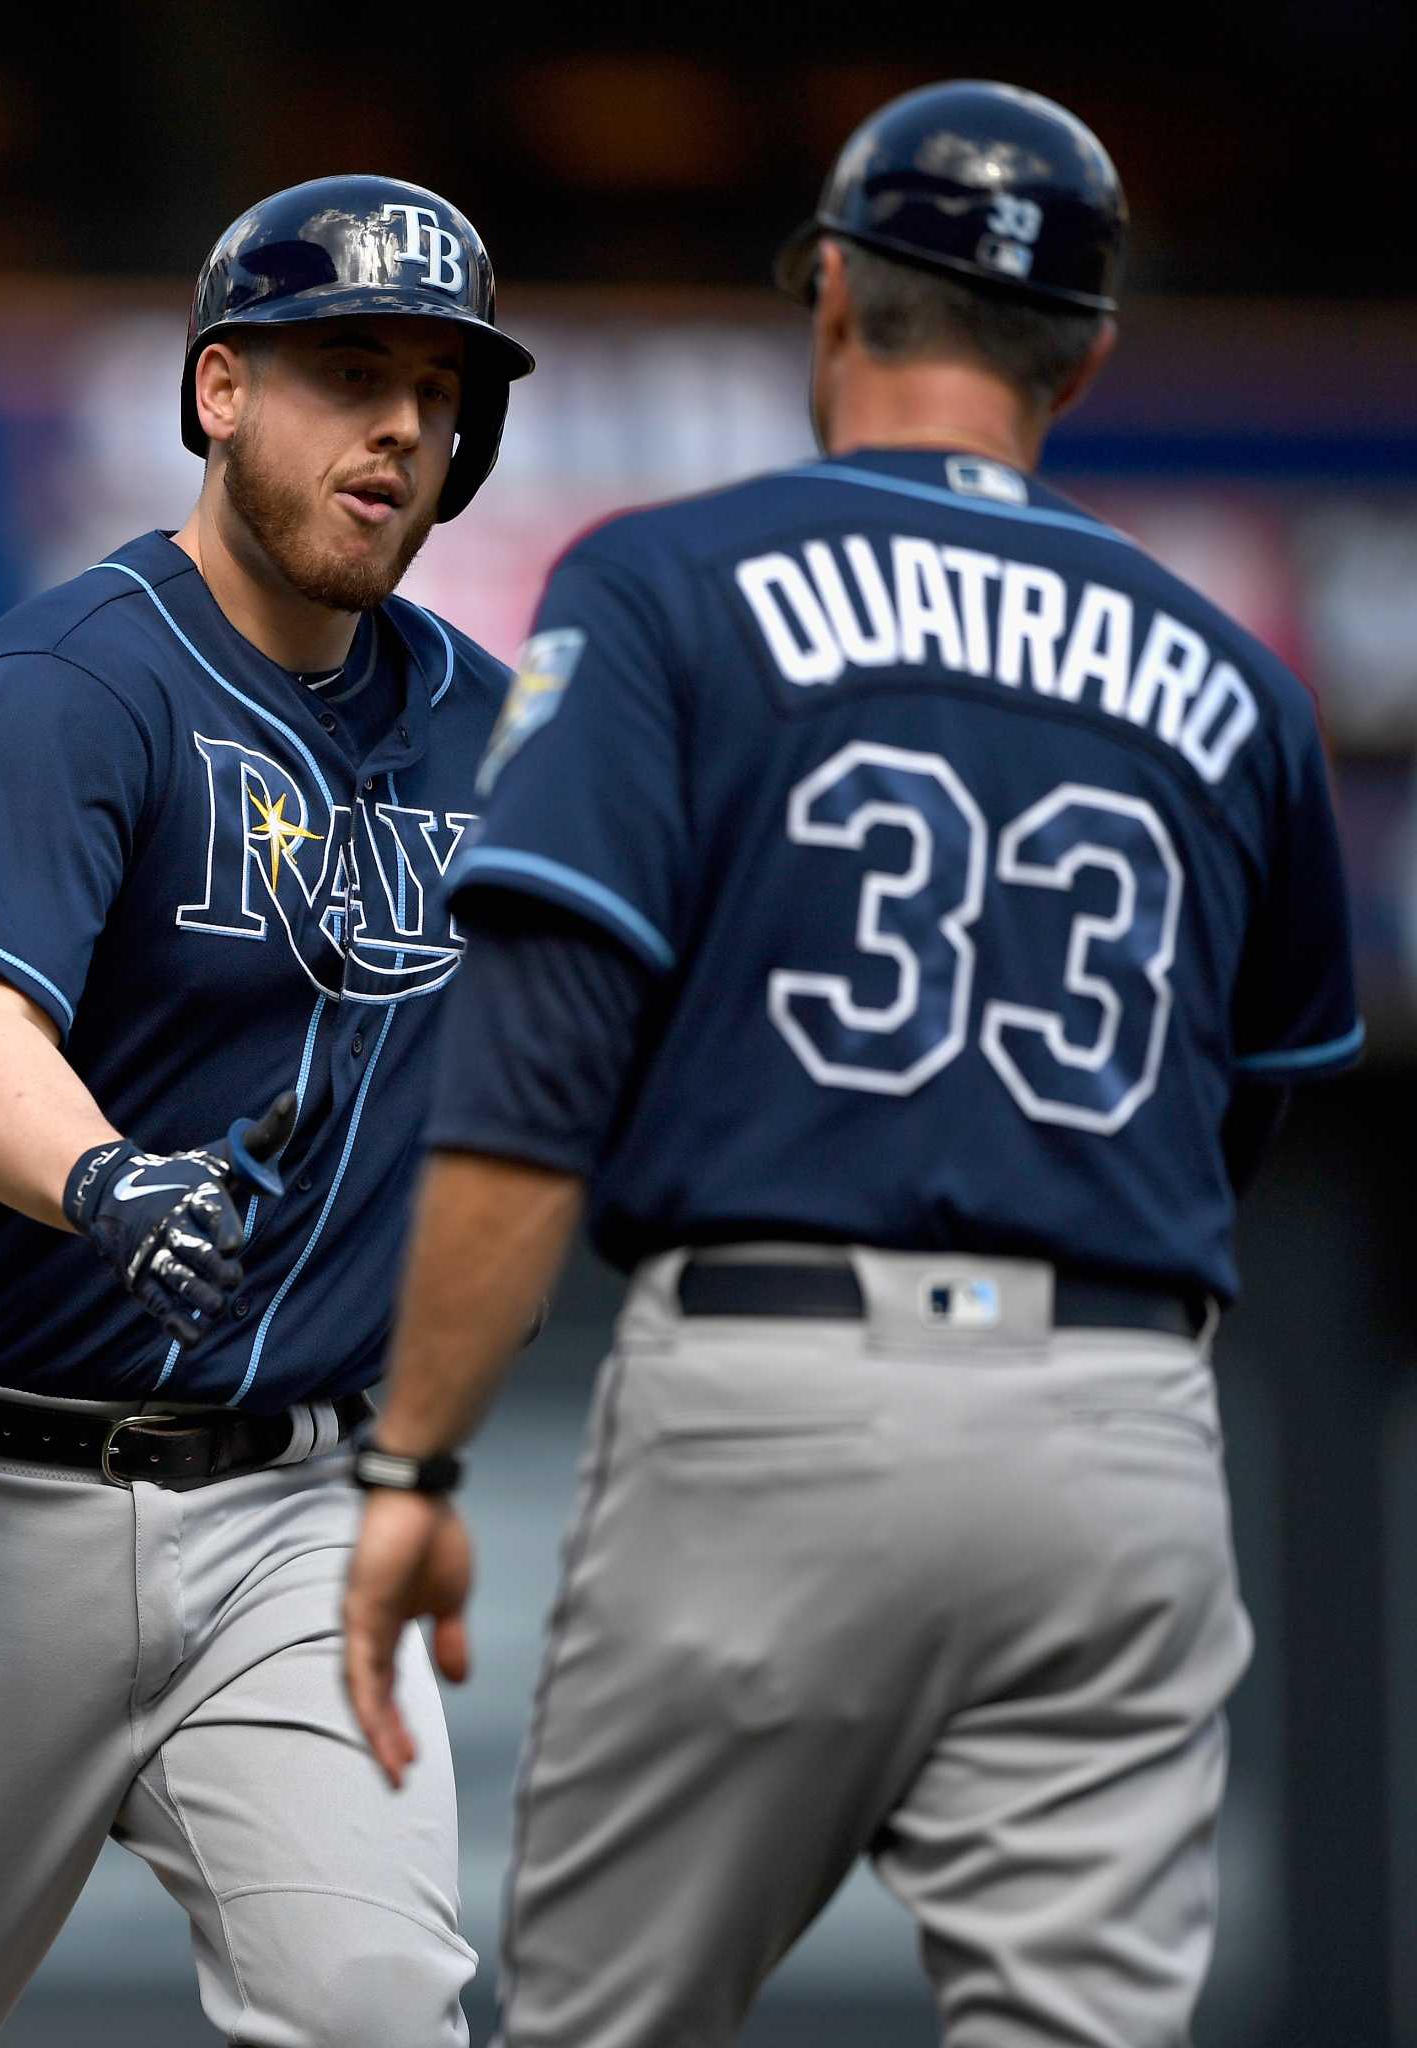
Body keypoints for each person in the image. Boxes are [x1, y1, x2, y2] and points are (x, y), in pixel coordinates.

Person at [341, 83, 1362, 2048]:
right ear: (1083, 356)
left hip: (774, 1399)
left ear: (828, 291)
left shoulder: (664, 583)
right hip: (1118, 1420)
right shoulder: (1229, 670)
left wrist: (414, 1457)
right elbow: (1241, 1100)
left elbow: (530, 1081)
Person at [0, 174, 533, 2048]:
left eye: (438, 386)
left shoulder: (499, 730)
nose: (400, 425)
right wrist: (103, 1177)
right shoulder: (76, 678)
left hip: (294, 1519)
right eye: (347, 369)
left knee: (378, 2016)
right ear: (222, 389)